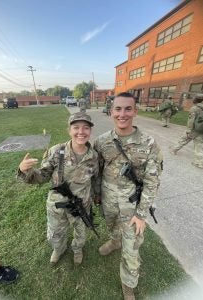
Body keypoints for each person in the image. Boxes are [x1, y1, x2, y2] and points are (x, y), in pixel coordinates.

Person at [94, 92, 162, 300]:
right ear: (111, 111)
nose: (122, 114)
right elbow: (96, 171)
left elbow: (152, 181)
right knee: (113, 228)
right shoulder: (102, 142)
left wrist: (141, 214)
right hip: (108, 202)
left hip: (133, 208)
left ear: (135, 111)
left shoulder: (149, 144)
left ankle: (128, 284)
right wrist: (96, 195)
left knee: (132, 248)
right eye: (118, 109)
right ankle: (115, 242)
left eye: (127, 109)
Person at [18, 112, 98, 265]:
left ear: (90, 131)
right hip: (57, 206)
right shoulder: (57, 151)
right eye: (76, 127)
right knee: (56, 233)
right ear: (69, 130)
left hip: (81, 205)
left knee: (81, 232)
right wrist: (25, 171)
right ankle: (58, 249)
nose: (81, 132)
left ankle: (77, 249)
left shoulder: (94, 156)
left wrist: (96, 196)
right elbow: (42, 176)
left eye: (85, 128)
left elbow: (95, 179)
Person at [171, 94, 203, 168]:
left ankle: (174, 150)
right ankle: (199, 163)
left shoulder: (194, 108)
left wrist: (188, 130)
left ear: (196, 100)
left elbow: (191, 121)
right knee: (199, 147)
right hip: (201, 131)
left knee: (183, 140)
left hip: (193, 130)